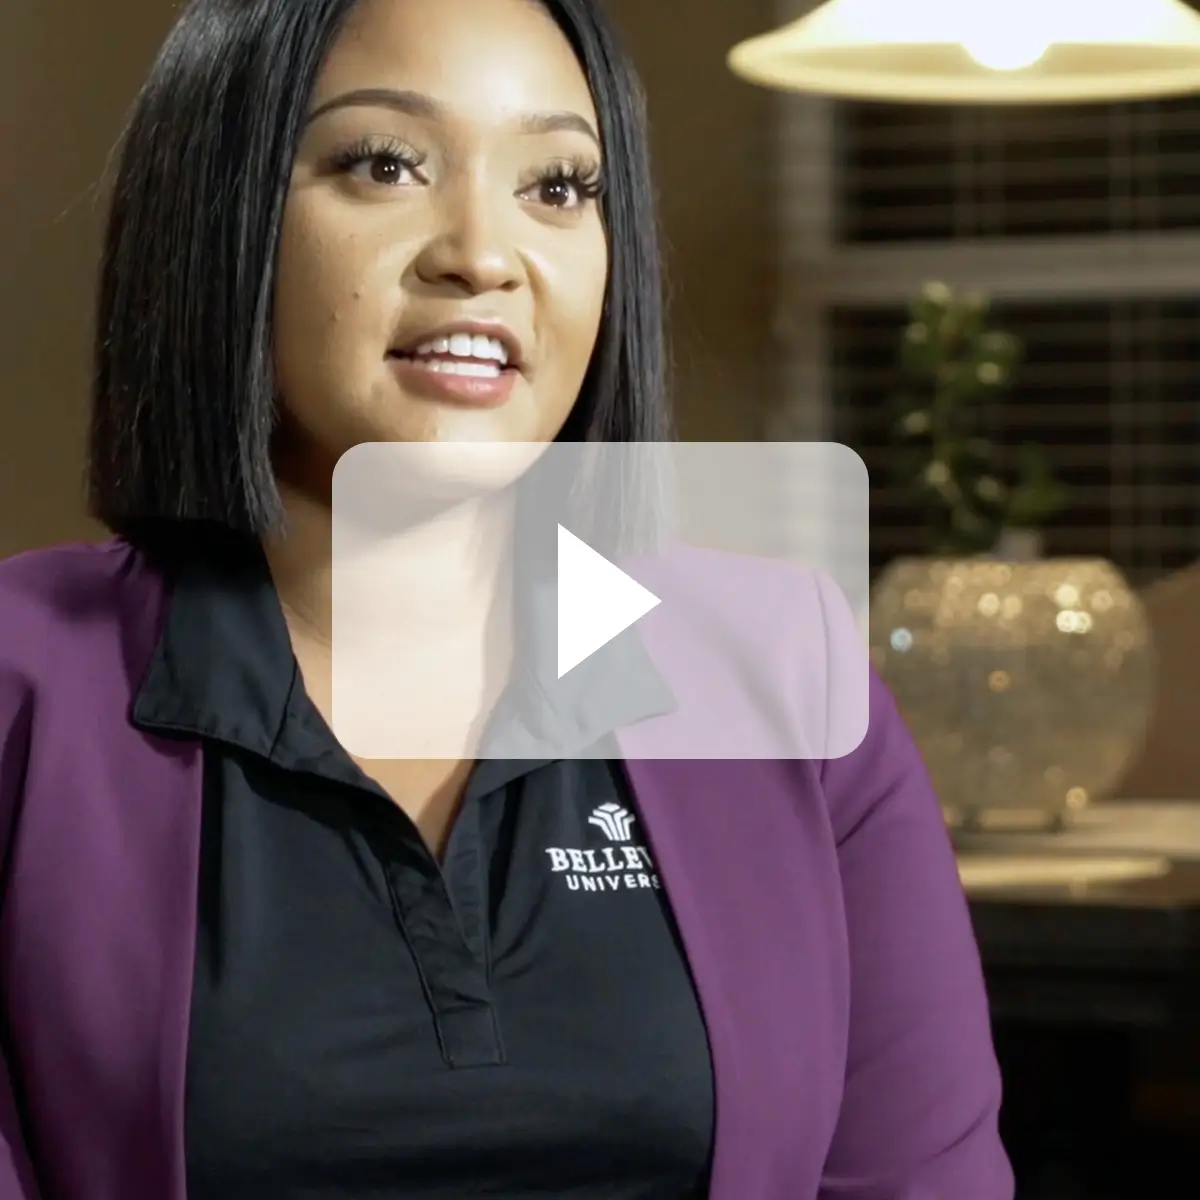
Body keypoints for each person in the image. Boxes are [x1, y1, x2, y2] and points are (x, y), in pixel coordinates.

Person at [0, 0, 1014, 1197]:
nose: (482, 255)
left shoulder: (787, 675)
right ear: (219, 216)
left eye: (559, 186)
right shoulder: (27, 685)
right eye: (385, 165)